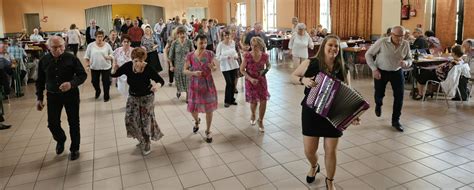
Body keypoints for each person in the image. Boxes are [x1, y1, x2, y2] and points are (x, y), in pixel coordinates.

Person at [291, 34, 357, 190]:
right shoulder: (311, 63)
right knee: (309, 151)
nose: (333, 48)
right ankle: (314, 165)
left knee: (331, 151)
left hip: (333, 114)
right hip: (311, 111)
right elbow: (293, 76)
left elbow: (349, 91)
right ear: (324, 47)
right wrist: (303, 80)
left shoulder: (343, 68)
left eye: (336, 46)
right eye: (330, 45)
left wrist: (352, 115)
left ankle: (330, 181)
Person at [35, 36, 87, 160]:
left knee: (74, 122)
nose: (58, 49)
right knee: (52, 124)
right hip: (53, 96)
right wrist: (39, 98)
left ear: (64, 46)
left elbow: (82, 75)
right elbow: (40, 81)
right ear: (48, 47)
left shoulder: (72, 58)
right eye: (54, 47)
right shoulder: (44, 60)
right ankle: (61, 139)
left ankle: (75, 148)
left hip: (71, 95)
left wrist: (71, 84)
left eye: (61, 46)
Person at [111, 47, 164, 155]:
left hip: (147, 97)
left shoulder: (147, 68)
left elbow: (160, 81)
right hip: (133, 97)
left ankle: (147, 142)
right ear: (132, 59)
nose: (138, 63)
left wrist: (157, 86)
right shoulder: (127, 66)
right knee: (130, 118)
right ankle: (141, 138)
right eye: (136, 61)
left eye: (141, 61)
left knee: (145, 121)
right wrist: (113, 67)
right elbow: (114, 74)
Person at [365, 26, 412, 132]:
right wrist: (374, 69)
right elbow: (368, 54)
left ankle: (396, 120)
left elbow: (409, 58)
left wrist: (406, 63)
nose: (400, 38)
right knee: (379, 93)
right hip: (381, 71)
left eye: (402, 36)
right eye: (397, 36)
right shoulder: (382, 42)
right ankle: (378, 104)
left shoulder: (405, 44)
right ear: (391, 34)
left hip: (397, 72)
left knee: (399, 96)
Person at [183, 34, 218, 143]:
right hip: (194, 85)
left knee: (209, 109)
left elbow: (215, 68)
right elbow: (185, 70)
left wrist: (213, 67)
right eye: (200, 43)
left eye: (204, 43)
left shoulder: (210, 54)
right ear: (195, 43)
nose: (203, 45)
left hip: (208, 83)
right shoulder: (190, 56)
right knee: (193, 109)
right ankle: (197, 121)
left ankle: (208, 131)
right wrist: (193, 72)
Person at [240, 37, 271, 132]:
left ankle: (260, 120)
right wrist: (250, 79)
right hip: (250, 81)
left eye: (256, 45)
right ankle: (253, 114)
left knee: (263, 100)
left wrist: (265, 70)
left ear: (260, 46)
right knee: (253, 102)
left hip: (261, 80)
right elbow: (241, 70)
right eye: (252, 45)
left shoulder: (265, 56)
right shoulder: (247, 56)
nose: (253, 47)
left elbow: (268, 65)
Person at [84, 30, 114, 102]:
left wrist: (109, 57)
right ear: (95, 37)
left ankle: (106, 95)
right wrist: (87, 65)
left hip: (106, 67)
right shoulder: (90, 45)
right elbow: (86, 57)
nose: (100, 38)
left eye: (101, 37)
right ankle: (98, 90)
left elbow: (112, 54)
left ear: (103, 37)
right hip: (94, 67)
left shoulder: (107, 45)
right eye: (98, 37)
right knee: (94, 82)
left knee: (106, 82)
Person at [168, 26, 194, 99]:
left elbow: (193, 53)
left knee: (187, 81)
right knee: (179, 80)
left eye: (184, 33)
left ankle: (187, 96)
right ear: (178, 34)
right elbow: (170, 56)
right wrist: (171, 66)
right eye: (181, 33)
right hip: (178, 66)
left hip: (187, 66)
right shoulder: (174, 43)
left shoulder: (189, 42)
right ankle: (179, 90)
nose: (183, 35)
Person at [216, 30, 239, 107]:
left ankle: (232, 99)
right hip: (225, 67)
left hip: (233, 65)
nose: (227, 36)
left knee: (233, 83)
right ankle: (226, 101)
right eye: (225, 35)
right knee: (229, 83)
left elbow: (234, 51)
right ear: (223, 36)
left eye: (228, 35)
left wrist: (236, 55)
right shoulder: (220, 45)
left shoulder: (233, 42)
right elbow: (218, 57)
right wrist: (226, 57)